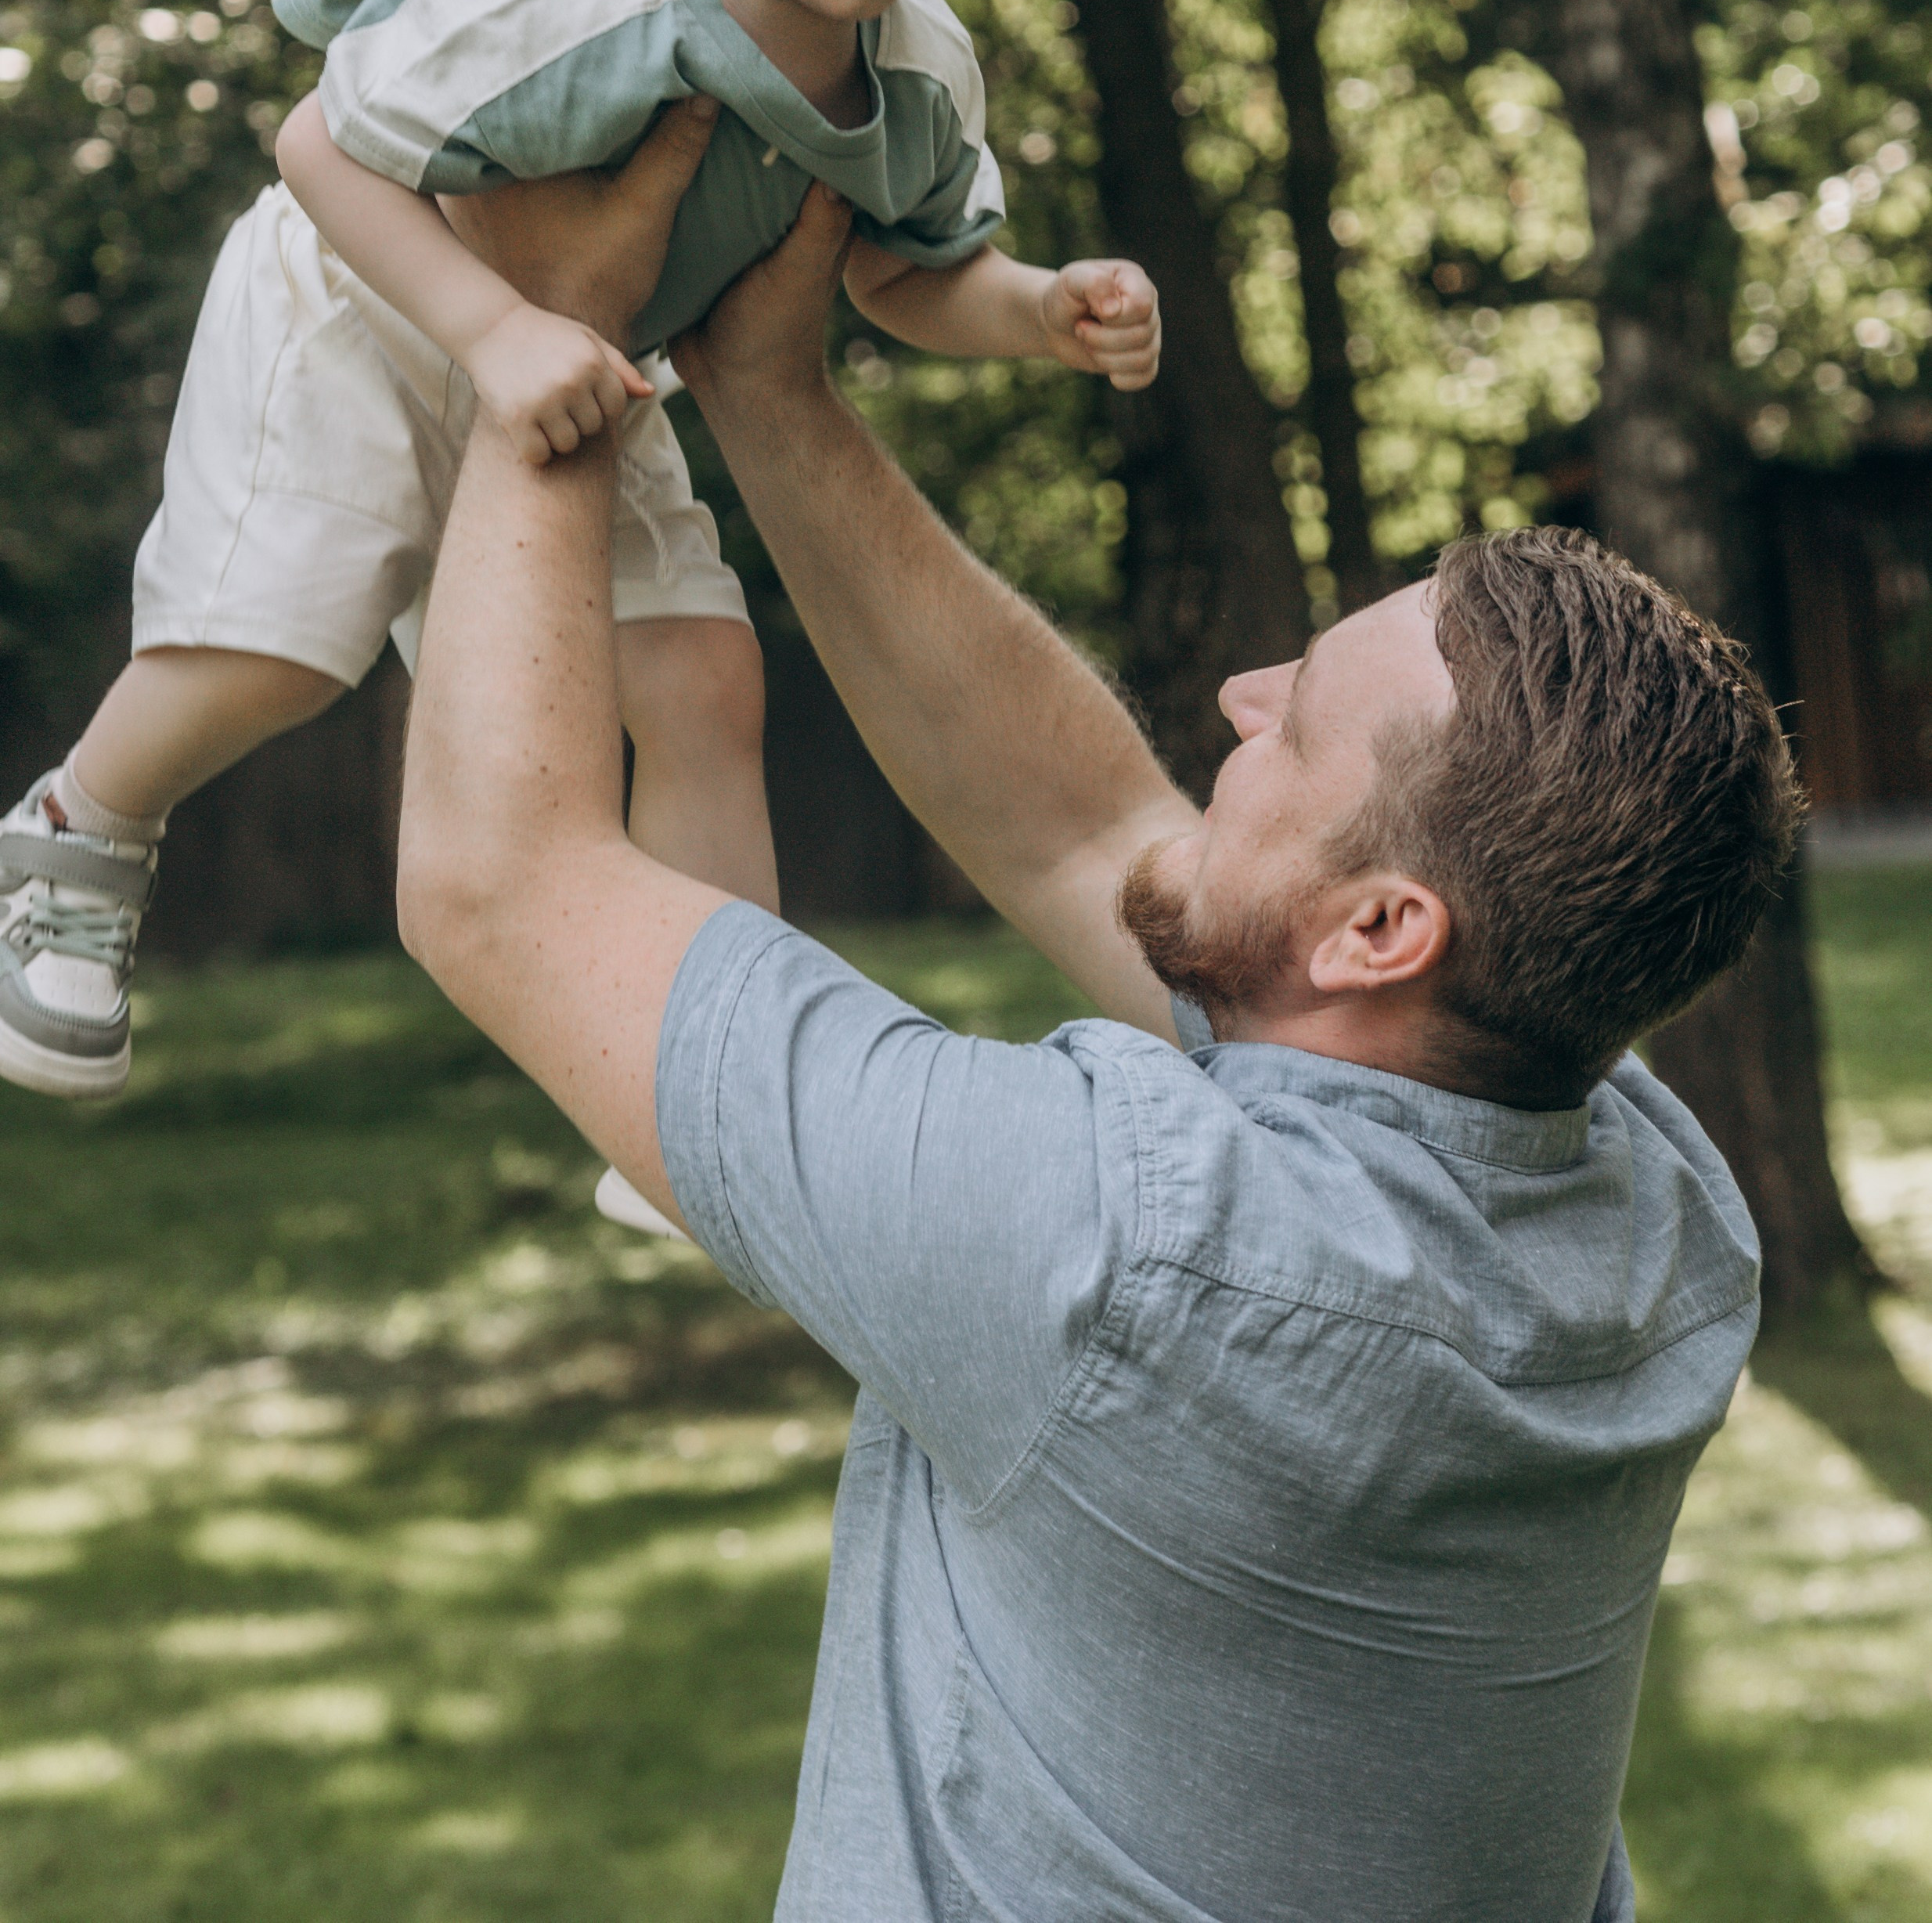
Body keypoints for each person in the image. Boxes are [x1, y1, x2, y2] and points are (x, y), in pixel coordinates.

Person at [391, 125, 1798, 1923]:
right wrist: (772, 394)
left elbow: (501, 884)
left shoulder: (1108, 1248)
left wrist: (555, 349)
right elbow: (1085, 835)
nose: (1238, 694)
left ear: (1382, 928)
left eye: (1290, 726)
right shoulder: (1656, 1224)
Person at [0, 0, 1159, 1102]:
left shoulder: (917, 67)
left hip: (579, 360)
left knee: (700, 680)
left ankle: (716, 1086)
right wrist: (488, 327)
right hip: (369, 303)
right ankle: (68, 842)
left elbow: (892, 269)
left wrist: (1033, 310)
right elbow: (320, 145)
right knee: (283, 646)